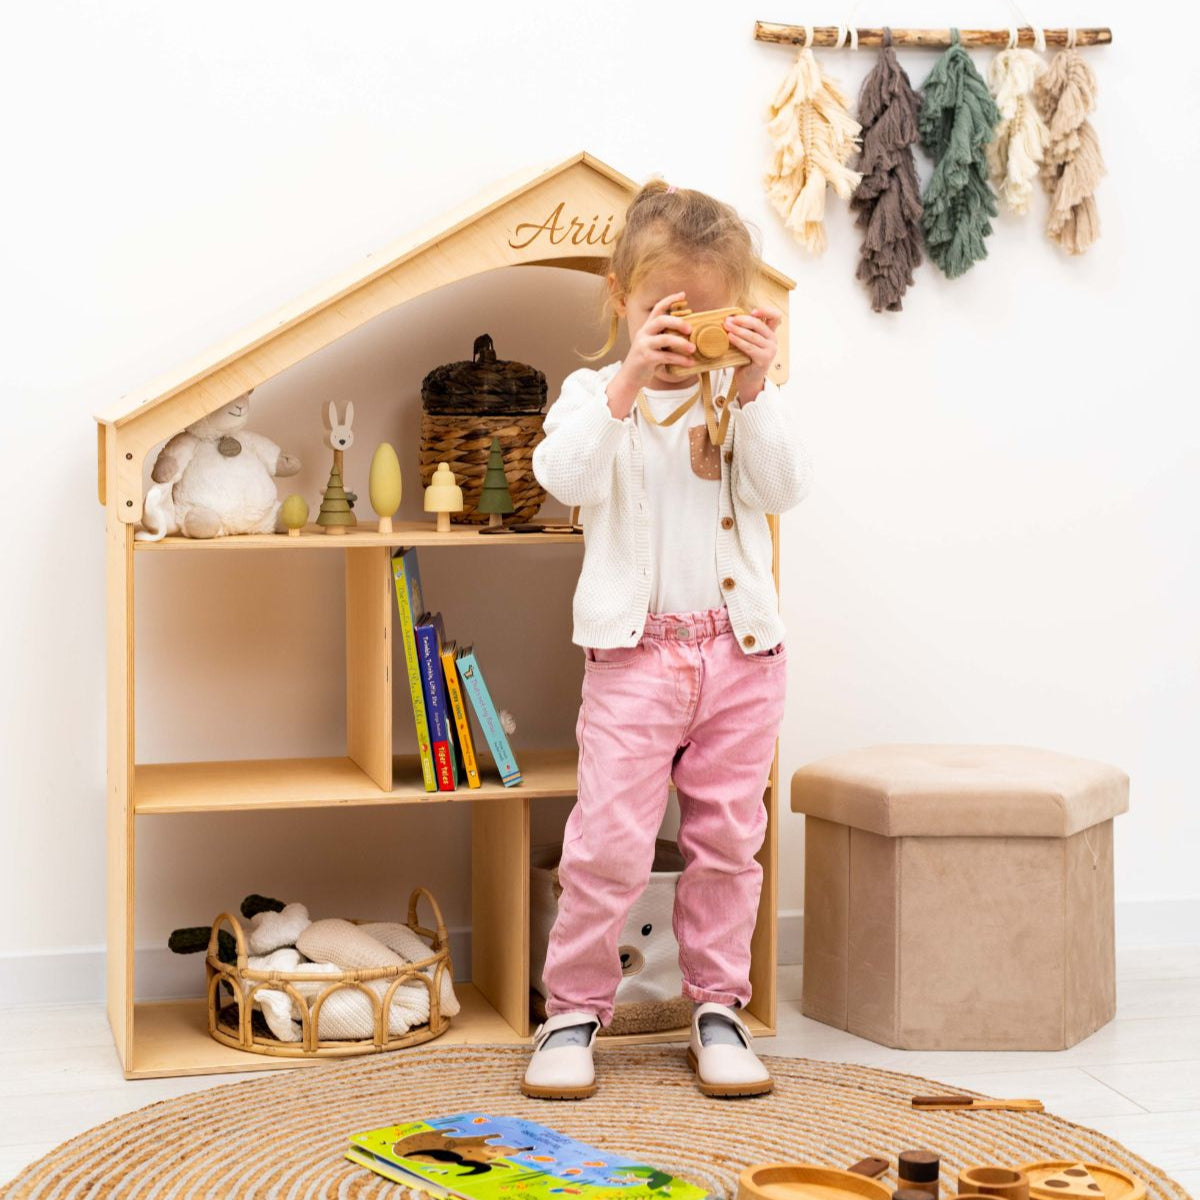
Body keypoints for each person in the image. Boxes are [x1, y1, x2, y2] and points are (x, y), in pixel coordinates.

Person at [524, 179, 812, 1099]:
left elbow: (781, 490)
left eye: (706, 318)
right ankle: (571, 1013)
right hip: (636, 658)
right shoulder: (592, 397)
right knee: (607, 841)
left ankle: (719, 1007)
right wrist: (629, 379)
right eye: (665, 315)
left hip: (740, 654)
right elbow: (563, 477)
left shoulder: (738, 398)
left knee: (729, 842)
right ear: (622, 301)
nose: (686, 339)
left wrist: (756, 384)